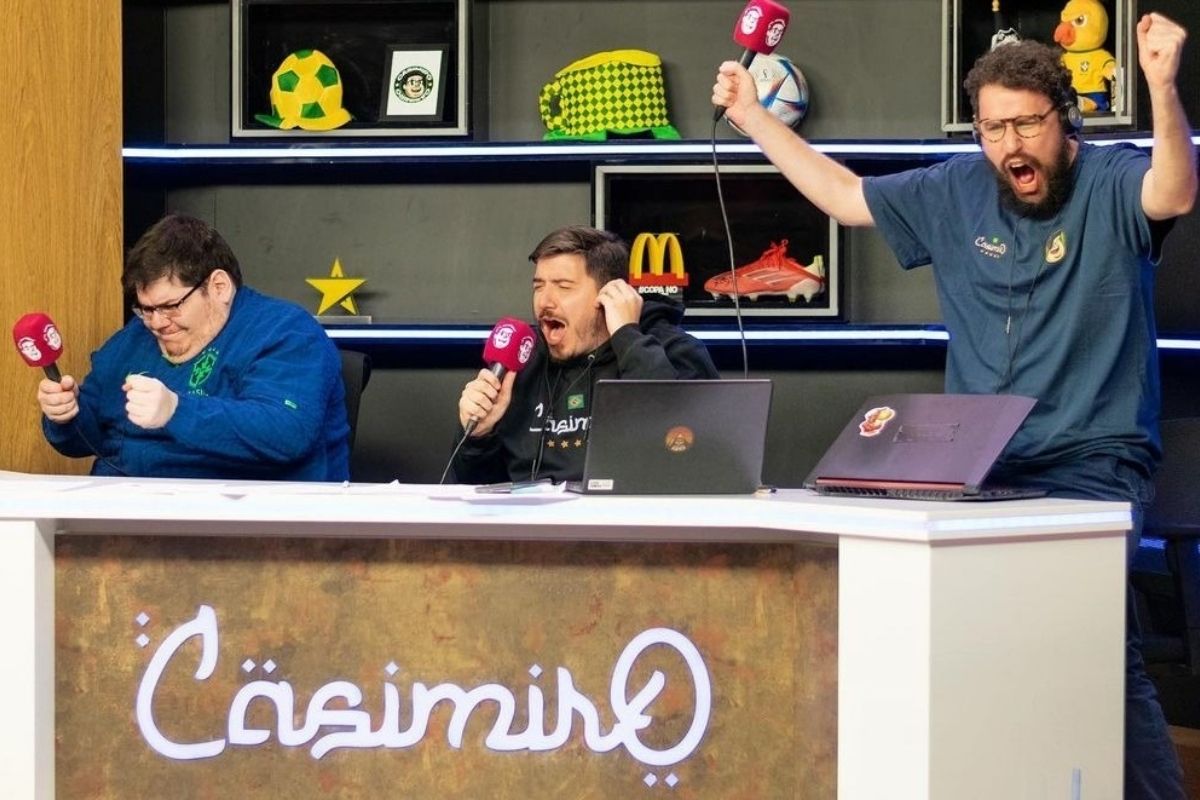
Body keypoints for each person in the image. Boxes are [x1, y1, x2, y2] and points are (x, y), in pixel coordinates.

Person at [714, 13, 1195, 799]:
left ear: (1065, 119)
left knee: (1096, 643)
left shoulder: (1111, 180)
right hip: (978, 468)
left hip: (1095, 462)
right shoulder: (954, 189)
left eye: (1027, 125)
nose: (1011, 146)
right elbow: (844, 197)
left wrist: (1163, 88)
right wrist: (752, 117)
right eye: (994, 129)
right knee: (966, 639)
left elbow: (1173, 189)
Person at [37, 213, 350, 481]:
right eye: (146, 309)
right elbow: (87, 440)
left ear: (219, 287)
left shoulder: (286, 331)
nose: (157, 323)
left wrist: (176, 410)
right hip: (125, 517)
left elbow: (287, 432)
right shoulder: (132, 340)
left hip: (247, 522)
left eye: (170, 306)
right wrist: (66, 415)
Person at [450, 225, 719, 484]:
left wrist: (628, 337)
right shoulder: (523, 361)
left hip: (630, 514)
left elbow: (691, 460)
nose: (544, 302)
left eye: (563, 286)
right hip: (530, 515)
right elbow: (476, 488)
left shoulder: (675, 352)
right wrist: (479, 438)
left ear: (610, 295)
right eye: (539, 286)